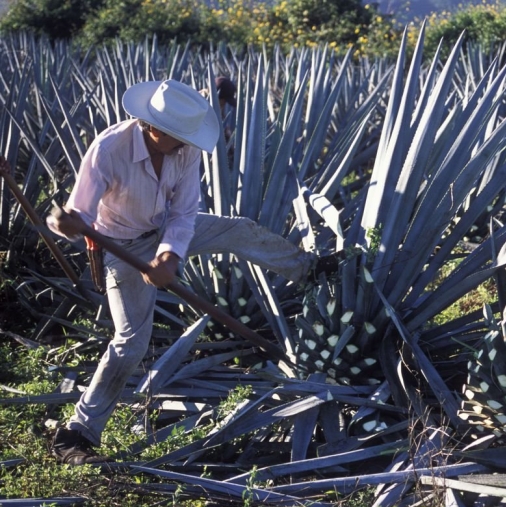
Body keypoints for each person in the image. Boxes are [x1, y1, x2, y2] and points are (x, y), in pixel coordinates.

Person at [46, 79, 337, 465]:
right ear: (155, 128)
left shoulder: (183, 150)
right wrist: (64, 224)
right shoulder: (109, 150)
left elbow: (184, 213)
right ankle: (77, 433)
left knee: (238, 228)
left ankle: (310, 271)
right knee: (131, 341)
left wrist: (168, 256)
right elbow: (79, 215)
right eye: (180, 136)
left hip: (166, 229)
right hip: (124, 248)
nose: (188, 143)